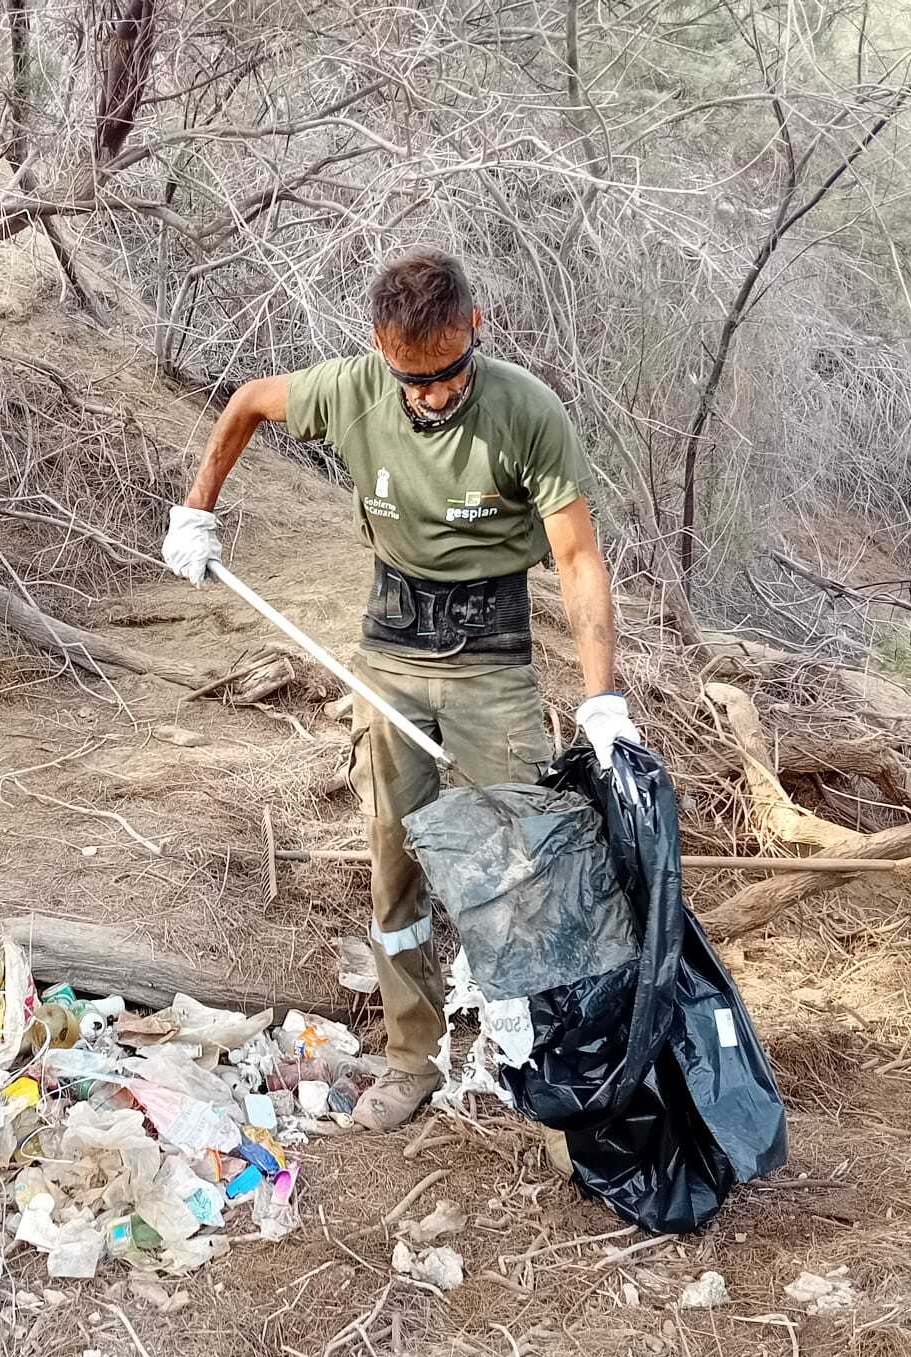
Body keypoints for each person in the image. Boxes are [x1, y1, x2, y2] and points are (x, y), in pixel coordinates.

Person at [163, 250, 639, 1131]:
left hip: (492, 657)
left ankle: (543, 1063)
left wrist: (600, 695)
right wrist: (198, 507)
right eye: (410, 378)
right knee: (397, 865)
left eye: (447, 374)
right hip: (390, 652)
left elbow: (575, 555)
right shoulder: (350, 391)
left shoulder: (526, 412)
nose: (429, 395)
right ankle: (412, 1056)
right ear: (382, 349)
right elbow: (246, 405)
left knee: (525, 864)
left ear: (476, 329)